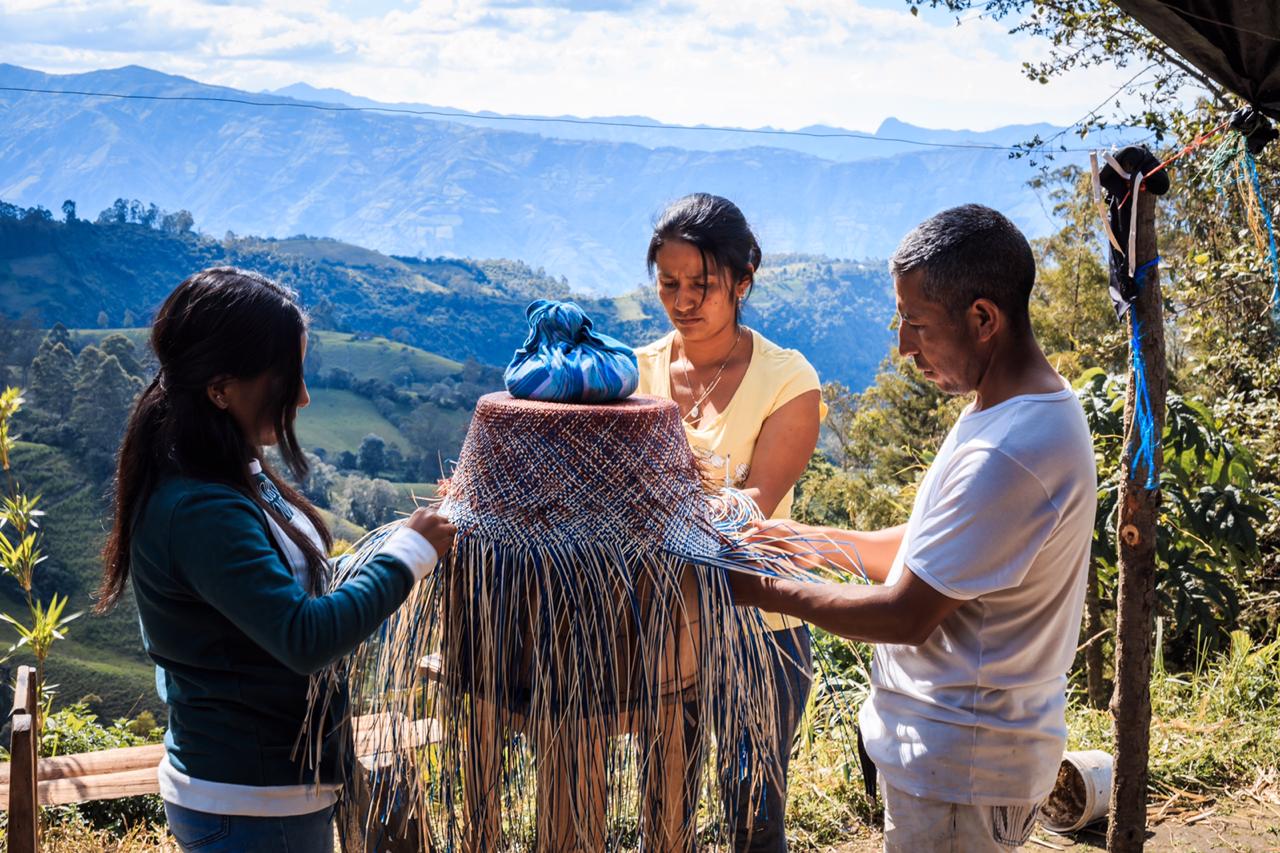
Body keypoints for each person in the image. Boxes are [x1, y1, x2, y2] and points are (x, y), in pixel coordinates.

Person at [730, 204, 1098, 852]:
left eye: (918, 324)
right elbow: (921, 550)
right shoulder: (1003, 407)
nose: (902, 345)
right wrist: (794, 542)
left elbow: (906, 612)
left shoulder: (1011, 451)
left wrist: (760, 589)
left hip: (962, 775)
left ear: (984, 319)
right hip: (954, 765)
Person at [96, 267, 456, 852]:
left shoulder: (236, 477)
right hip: (249, 804)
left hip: (269, 795)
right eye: (287, 376)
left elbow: (305, 583)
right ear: (221, 388)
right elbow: (304, 634)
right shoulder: (200, 510)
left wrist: (401, 541)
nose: (305, 396)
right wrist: (410, 553)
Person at [636, 193, 825, 852]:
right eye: (669, 283)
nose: (684, 299)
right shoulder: (638, 373)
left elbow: (749, 508)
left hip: (762, 630)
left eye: (703, 284)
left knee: (752, 813)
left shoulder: (787, 379)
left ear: (743, 282)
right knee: (664, 809)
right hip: (662, 622)